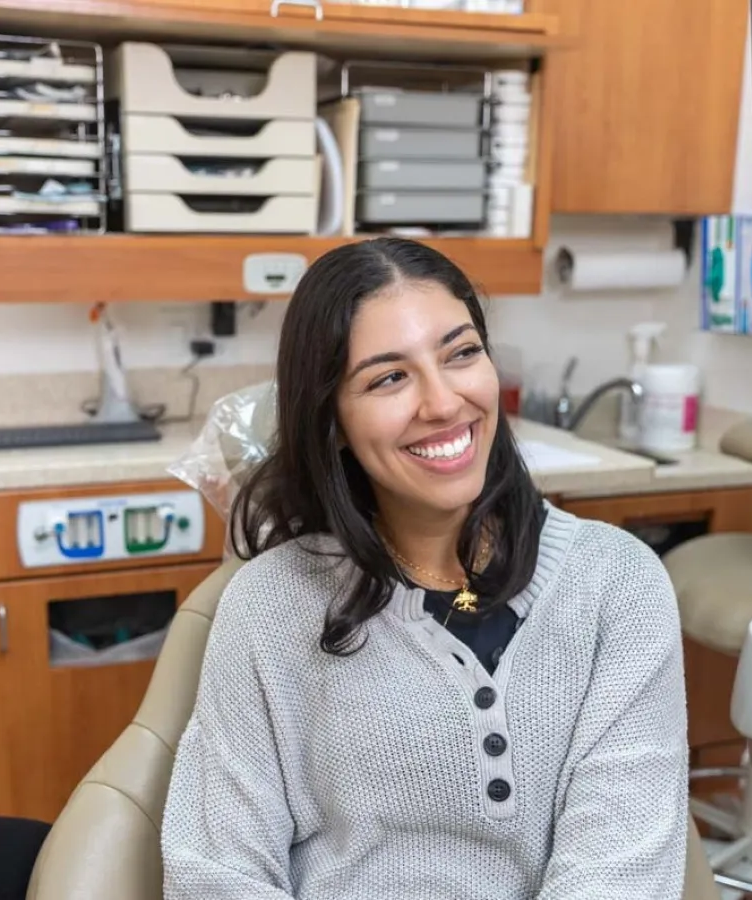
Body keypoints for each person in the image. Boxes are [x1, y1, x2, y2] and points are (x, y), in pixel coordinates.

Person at [161, 237, 689, 899]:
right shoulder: (268, 605)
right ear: (333, 423)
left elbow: (620, 875)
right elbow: (216, 873)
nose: (442, 403)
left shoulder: (619, 586)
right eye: (388, 378)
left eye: (461, 354)